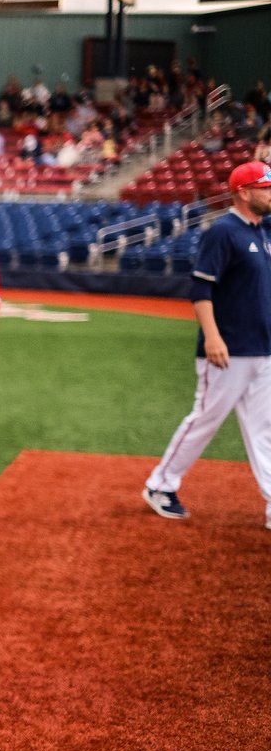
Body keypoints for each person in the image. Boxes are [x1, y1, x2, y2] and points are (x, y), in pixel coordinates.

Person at [143, 161, 271, 527]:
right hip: (227, 349)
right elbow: (201, 288)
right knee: (206, 419)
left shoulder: (262, 231)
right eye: (265, 187)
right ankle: (160, 485)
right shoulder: (223, 231)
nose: (270, 194)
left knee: (265, 428)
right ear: (244, 192)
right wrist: (212, 336)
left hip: (262, 349)